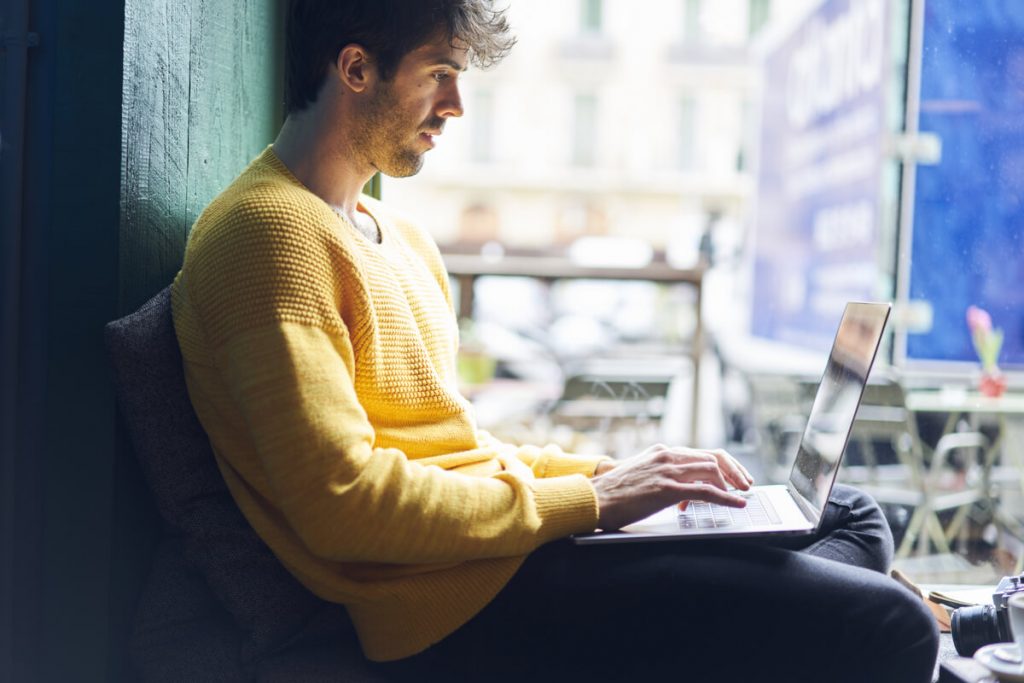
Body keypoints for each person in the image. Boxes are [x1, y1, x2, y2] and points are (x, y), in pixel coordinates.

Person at [170, 1, 939, 680]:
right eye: (440, 72)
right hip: (458, 608)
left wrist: (624, 473)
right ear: (356, 68)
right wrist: (593, 500)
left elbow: (460, 444)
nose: (457, 104)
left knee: (851, 518)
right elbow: (344, 505)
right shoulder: (268, 233)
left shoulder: (398, 234)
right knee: (893, 624)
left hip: (515, 551)